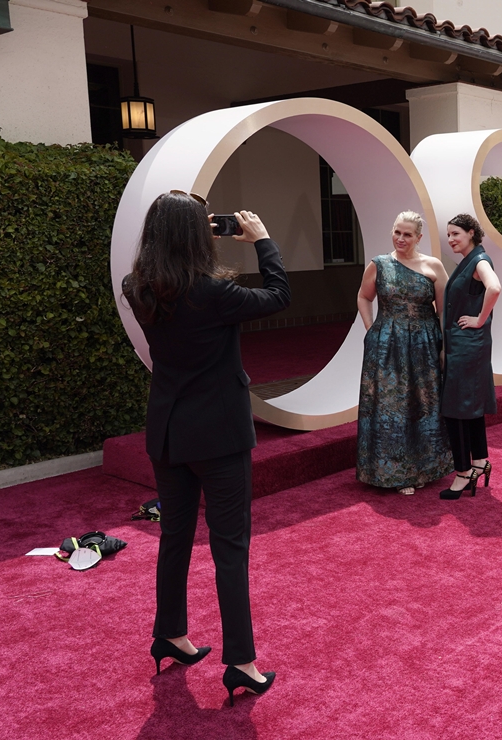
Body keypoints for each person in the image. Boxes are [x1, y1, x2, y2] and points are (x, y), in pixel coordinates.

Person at [121, 192, 289, 705]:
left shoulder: (137, 286)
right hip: (218, 435)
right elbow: (280, 295)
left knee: (175, 539)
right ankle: (241, 662)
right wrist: (262, 241)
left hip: (168, 432)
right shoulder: (215, 292)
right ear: (200, 234)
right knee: (229, 548)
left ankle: (169, 633)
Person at [356, 212, 452, 495]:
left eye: (407, 234)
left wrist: (445, 345)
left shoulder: (433, 266)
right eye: (397, 232)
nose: (400, 238)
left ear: (419, 238)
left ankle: (424, 468)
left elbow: (444, 310)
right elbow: (363, 296)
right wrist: (370, 328)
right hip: (387, 346)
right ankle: (394, 473)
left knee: (423, 404)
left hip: (425, 344)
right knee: (390, 408)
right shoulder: (380, 265)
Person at [439, 213, 501, 500]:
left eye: (456, 234)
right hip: (466, 345)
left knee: (456, 409)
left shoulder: (479, 260)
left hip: (467, 346)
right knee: (469, 406)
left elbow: (495, 287)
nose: (451, 239)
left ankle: (463, 473)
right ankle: (480, 463)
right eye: (449, 234)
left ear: (472, 233)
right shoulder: (470, 260)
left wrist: (479, 319)